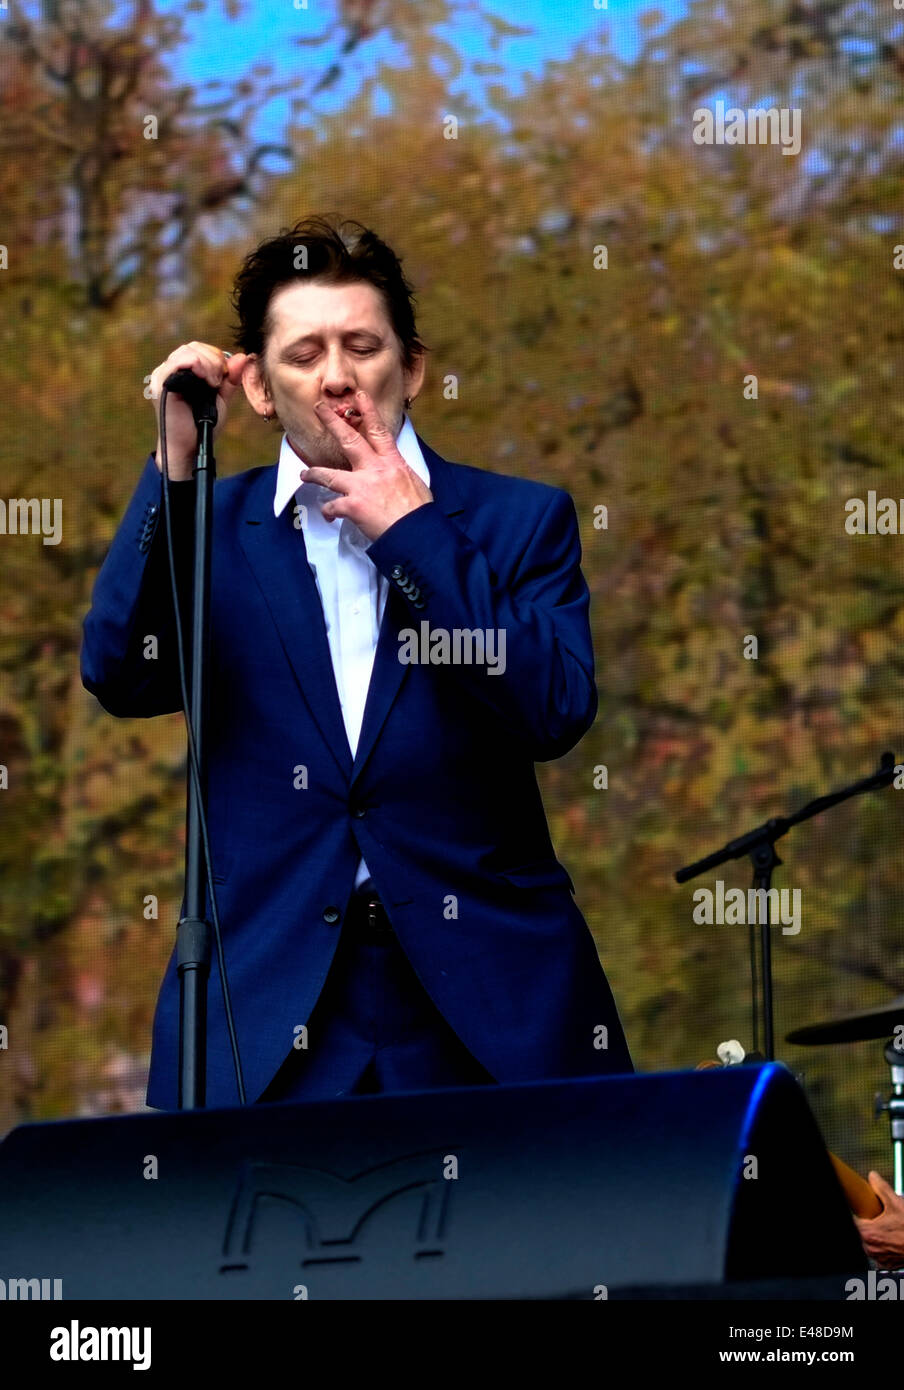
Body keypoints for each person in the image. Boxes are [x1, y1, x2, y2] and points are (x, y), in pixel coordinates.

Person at [80, 215, 633, 1108]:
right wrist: (173, 462)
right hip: (262, 1017)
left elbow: (554, 710)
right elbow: (121, 671)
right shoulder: (210, 528)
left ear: (409, 368)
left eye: (361, 346)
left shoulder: (517, 520)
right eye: (304, 355)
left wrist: (413, 533)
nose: (336, 375)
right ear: (257, 386)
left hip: (492, 1008)